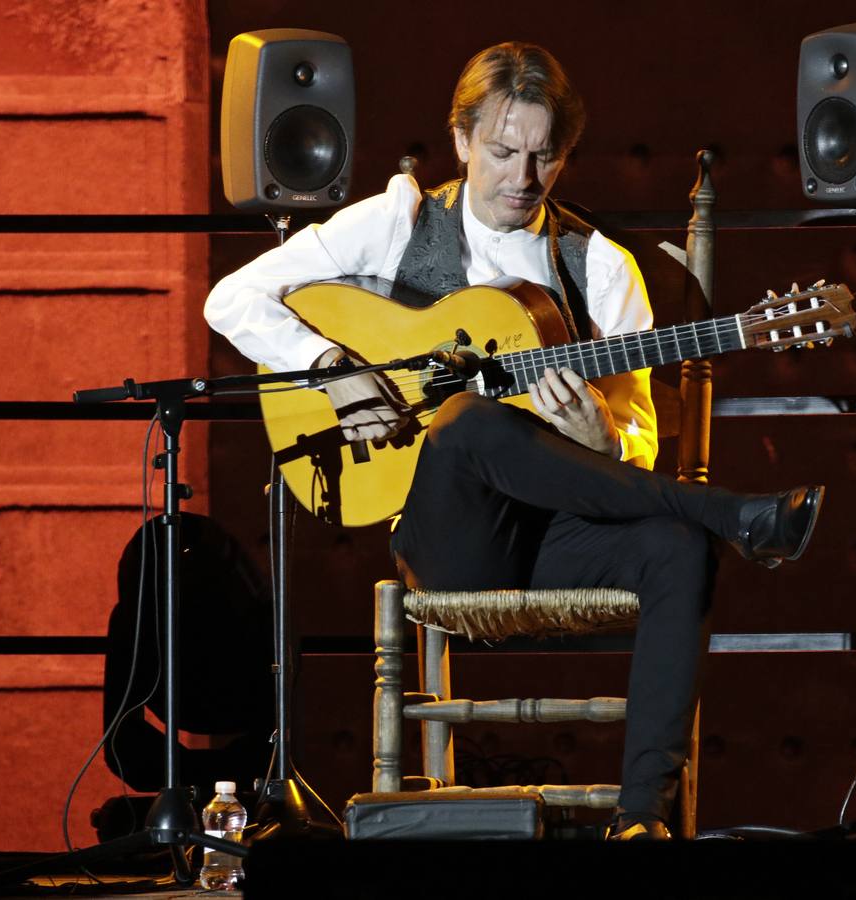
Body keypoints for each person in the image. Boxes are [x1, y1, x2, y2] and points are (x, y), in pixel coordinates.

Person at [205, 41, 823, 840]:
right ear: (461, 141)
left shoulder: (598, 266)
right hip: (451, 541)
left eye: (542, 157)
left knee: (678, 547)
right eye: (501, 152)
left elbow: (632, 439)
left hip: (558, 537)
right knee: (468, 419)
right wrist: (330, 367)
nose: (520, 178)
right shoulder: (397, 219)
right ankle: (732, 512)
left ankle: (641, 822)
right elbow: (232, 298)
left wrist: (596, 429)